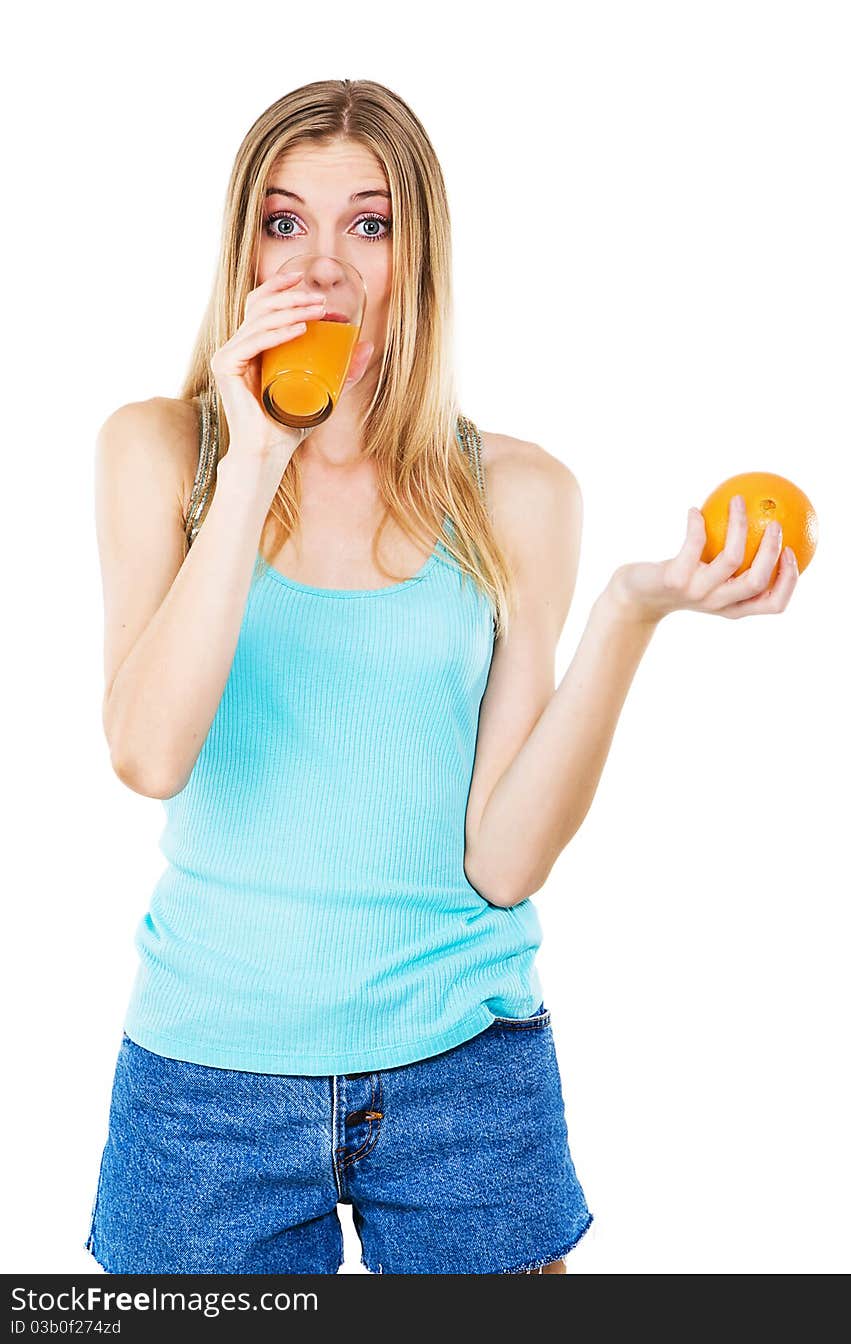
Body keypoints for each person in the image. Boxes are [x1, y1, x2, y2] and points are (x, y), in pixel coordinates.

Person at [83, 79, 799, 1277]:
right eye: (281, 221)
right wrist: (258, 454)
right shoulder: (159, 452)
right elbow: (148, 755)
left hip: (464, 1079)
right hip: (206, 1086)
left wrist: (631, 611)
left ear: (417, 253)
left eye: (367, 224)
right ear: (241, 248)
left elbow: (503, 862)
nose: (322, 265)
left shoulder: (517, 494)